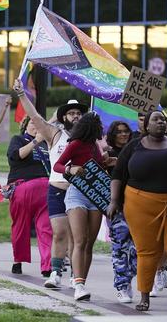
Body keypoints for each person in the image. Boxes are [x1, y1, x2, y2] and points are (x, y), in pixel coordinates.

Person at [109, 110, 167, 312]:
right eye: (156, 119)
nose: (161, 122)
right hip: (141, 205)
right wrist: (114, 201)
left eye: (163, 119)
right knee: (147, 252)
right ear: (146, 125)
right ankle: (144, 296)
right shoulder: (133, 146)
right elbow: (118, 174)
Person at [14, 78, 85, 289]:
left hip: (78, 192)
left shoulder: (87, 137)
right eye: (72, 113)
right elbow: (35, 117)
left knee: (76, 236)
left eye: (79, 114)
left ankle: (75, 275)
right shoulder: (55, 134)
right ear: (64, 117)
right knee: (60, 233)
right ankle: (55, 273)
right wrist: (20, 94)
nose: (76, 116)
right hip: (56, 190)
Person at [53, 112, 111, 301]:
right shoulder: (75, 144)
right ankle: (78, 284)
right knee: (80, 240)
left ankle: (81, 282)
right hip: (77, 194)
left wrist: (107, 162)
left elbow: (96, 166)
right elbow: (58, 166)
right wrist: (71, 169)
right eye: (97, 127)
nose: (100, 130)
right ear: (90, 128)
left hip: (95, 195)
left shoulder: (95, 146)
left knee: (88, 244)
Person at [6, 116, 52, 276]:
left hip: (46, 189)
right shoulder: (18, 139)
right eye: (33, 122)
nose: (36, 126)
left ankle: (47, 266)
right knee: (20, 226)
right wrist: (36, 141)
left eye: (39, 124)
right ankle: (18, 260)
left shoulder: (47, 144)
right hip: (23, 186)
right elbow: (17, 155)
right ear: (25, 125)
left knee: (46, 228)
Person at [104, 121, 136, 303]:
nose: (123, 135)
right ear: (113, 134)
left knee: (138, 250)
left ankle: (129, 278)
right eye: (119, 132)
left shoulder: (137, 151)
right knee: (120, 249)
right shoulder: (106, 155)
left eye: (126, 132)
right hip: (117, 209)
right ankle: (122, 286)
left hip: (139, 207)